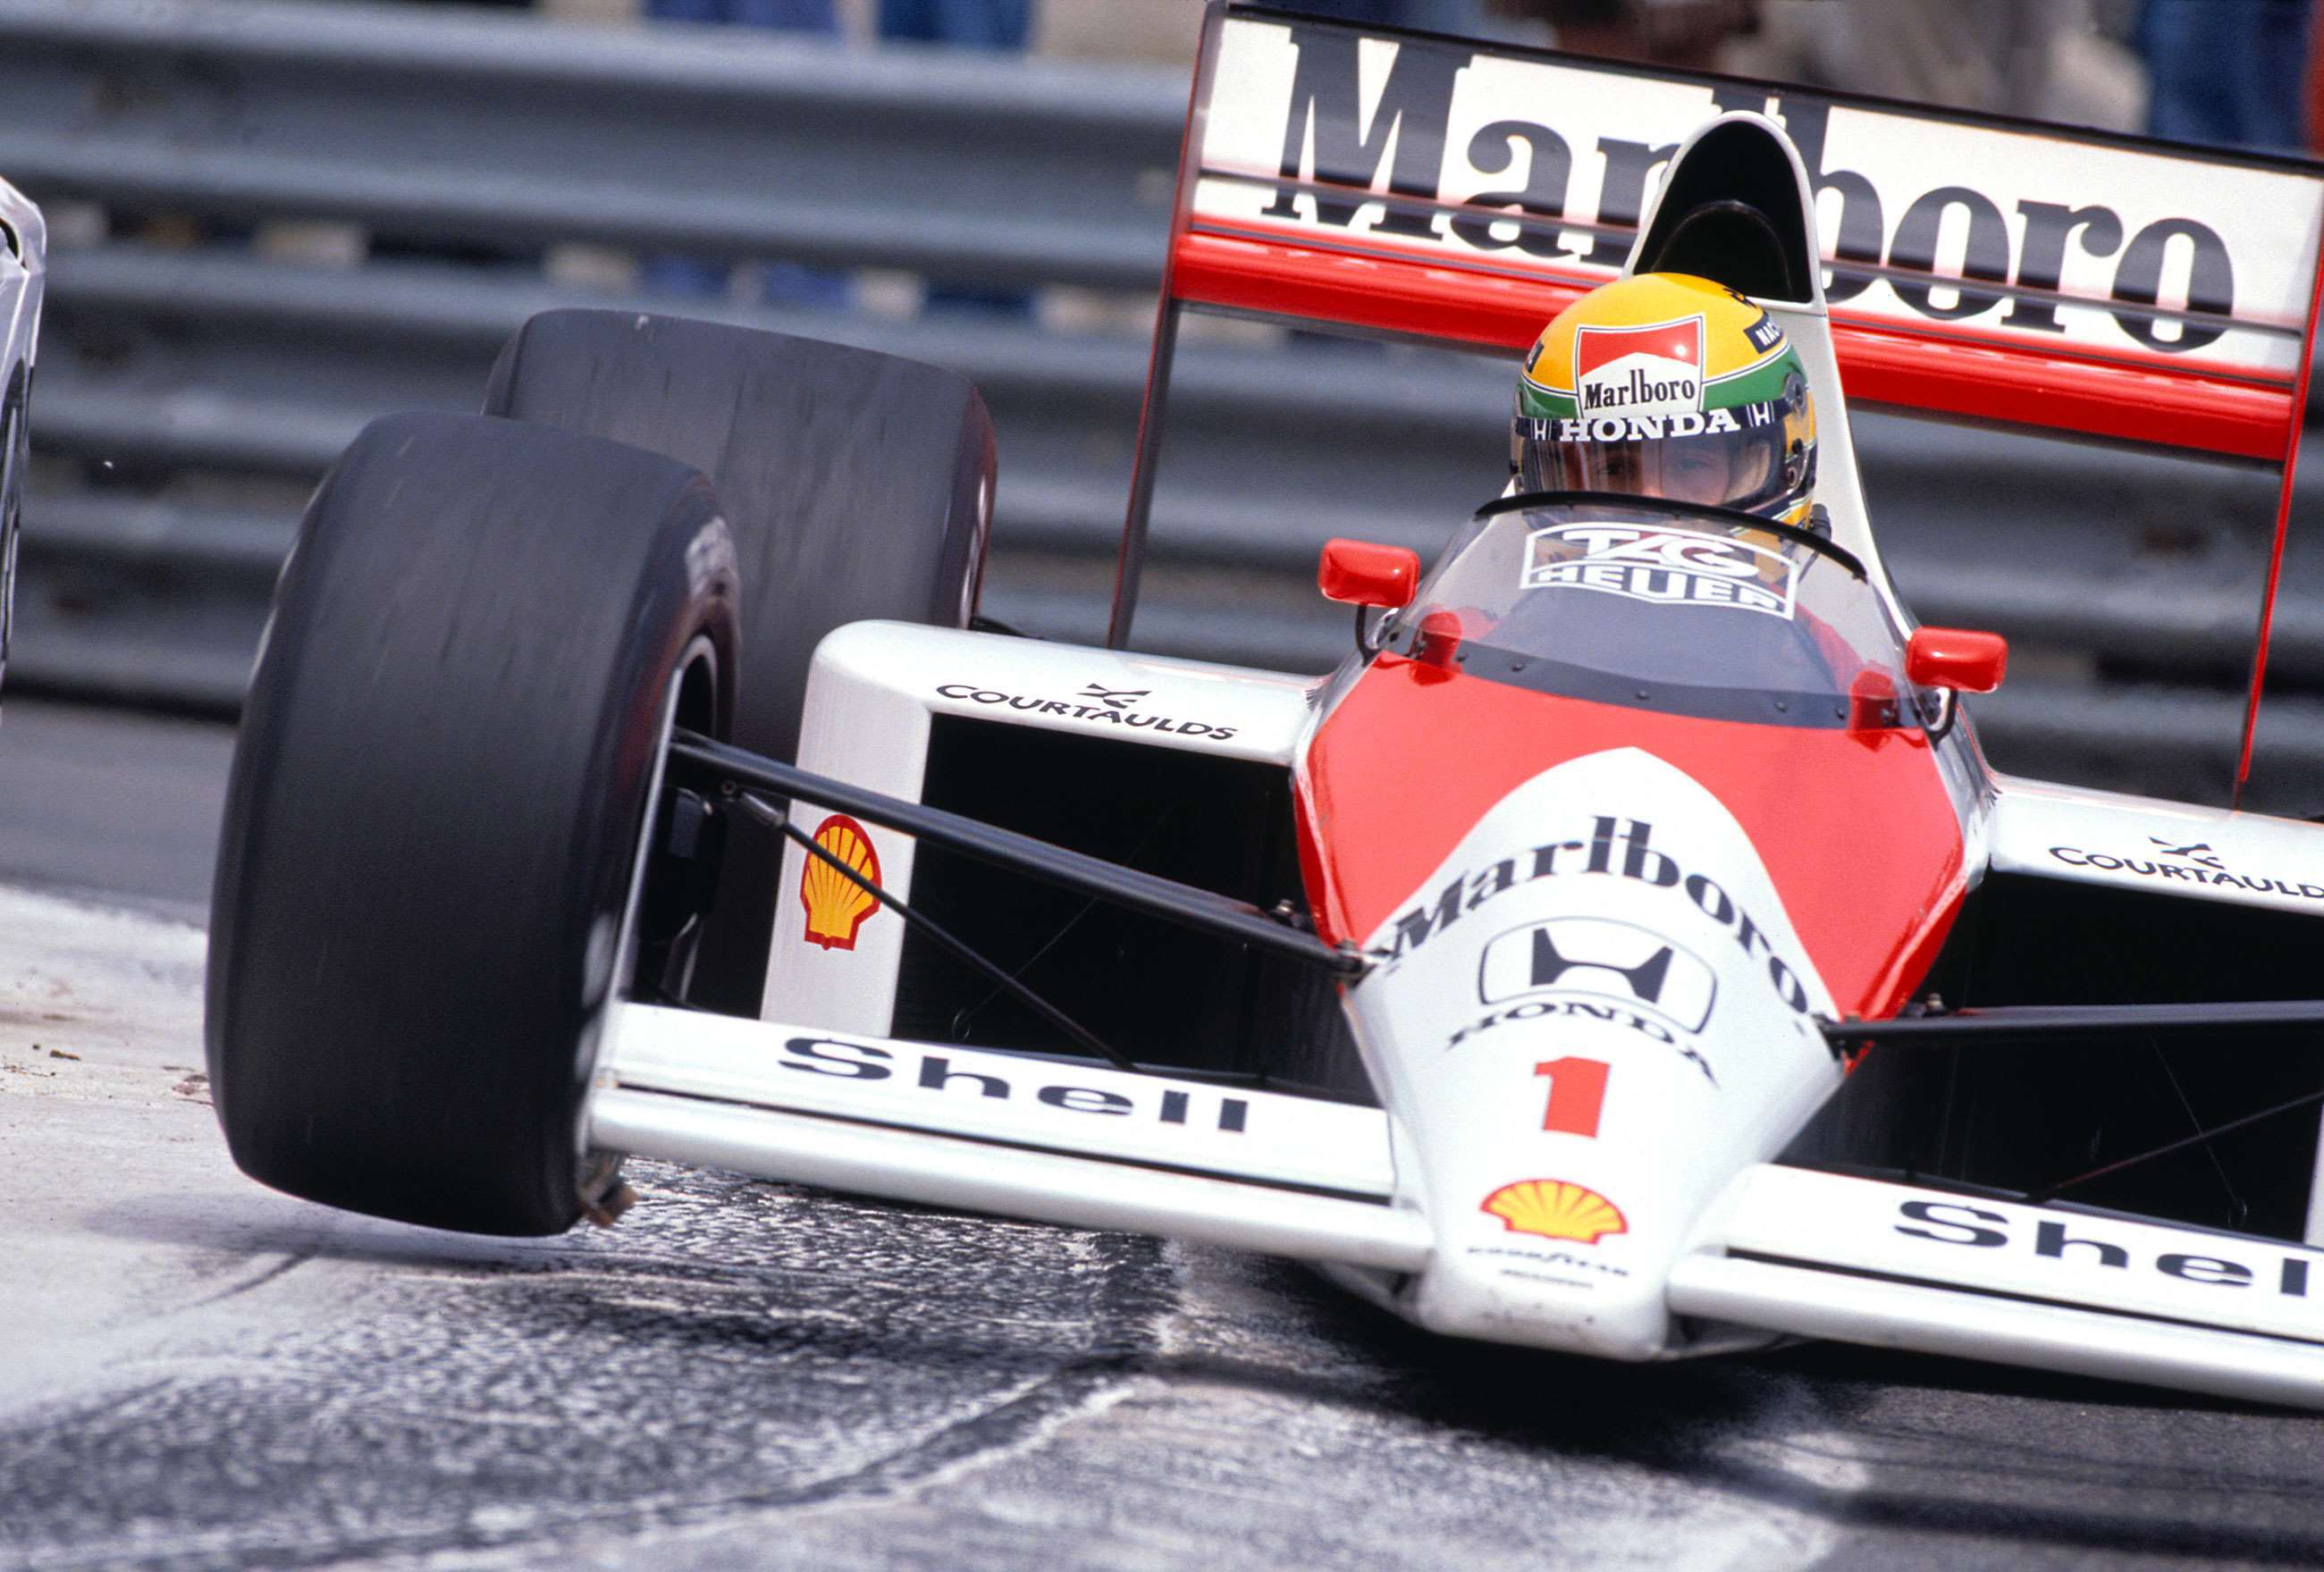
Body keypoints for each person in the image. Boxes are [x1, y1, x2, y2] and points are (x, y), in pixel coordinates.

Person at [1509, 271, 1818, 526]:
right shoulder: (1479, 598)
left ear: (1788, 465)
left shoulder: (1847, 600)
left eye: (1689, 464)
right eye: (1613, 470)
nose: (1652, 503)